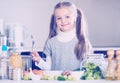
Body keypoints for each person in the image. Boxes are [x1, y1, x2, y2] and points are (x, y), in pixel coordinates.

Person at [31, 1, 93, 71]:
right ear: (55, 21)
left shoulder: (83, 42)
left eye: (67, 17)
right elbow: (49, 68)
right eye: (59, 18)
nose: (63, 21)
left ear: (75, 17)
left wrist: (74, 73)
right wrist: (39, 60)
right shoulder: (51, 43)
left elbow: (87, 68)